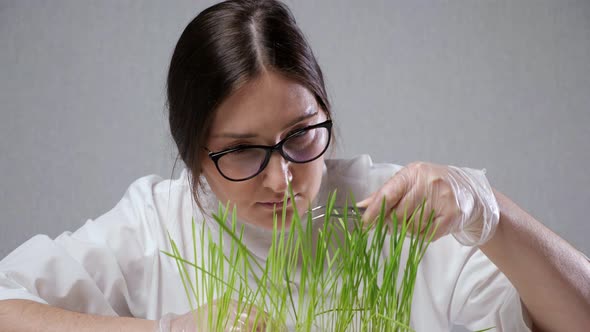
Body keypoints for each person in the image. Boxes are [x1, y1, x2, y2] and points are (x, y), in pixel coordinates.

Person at [0, 1, 588, 331]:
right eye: (243, 150)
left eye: (302, 136)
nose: (282, 178)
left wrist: (490, 213)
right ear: (193, 155)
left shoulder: (398, 213)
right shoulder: (157, 223)